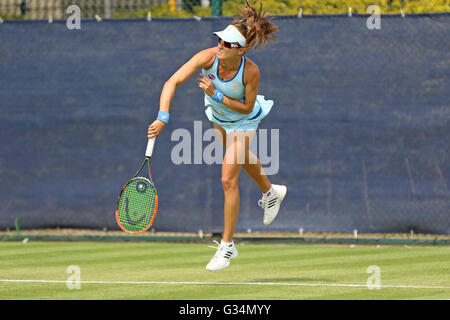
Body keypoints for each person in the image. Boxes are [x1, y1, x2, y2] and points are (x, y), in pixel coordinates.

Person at [147, 0, 287, 271]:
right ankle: (271, 191)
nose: (221, 45)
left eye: (228, 44)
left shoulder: (251, 71)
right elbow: (171, 82)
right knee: (243, 160)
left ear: (242, 50)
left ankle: (227, 246)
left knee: (227, 178)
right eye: (220, 40)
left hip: (244, 120)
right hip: (220, 120)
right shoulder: (207, 57)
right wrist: (162, 116)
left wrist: (216, 94)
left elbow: (246, 107)